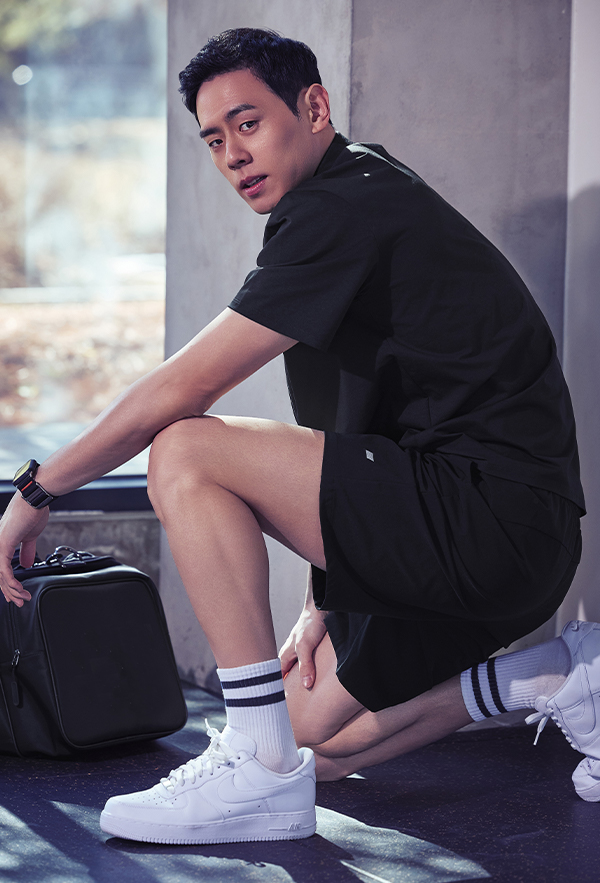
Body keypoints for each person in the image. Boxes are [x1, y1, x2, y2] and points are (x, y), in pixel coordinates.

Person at [0, 27, 598, 846]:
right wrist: (327, 596)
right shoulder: (354, 188)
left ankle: (254, 764)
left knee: (185, 448)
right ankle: (558, 678)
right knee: (312, 736)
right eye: (215, 140)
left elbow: (182, 388)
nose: (233, 156)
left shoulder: (340, 207)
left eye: (248, 124)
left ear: (313, 108)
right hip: (504, 535)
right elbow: (363, 422)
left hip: (486, 519)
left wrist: (36, 492)